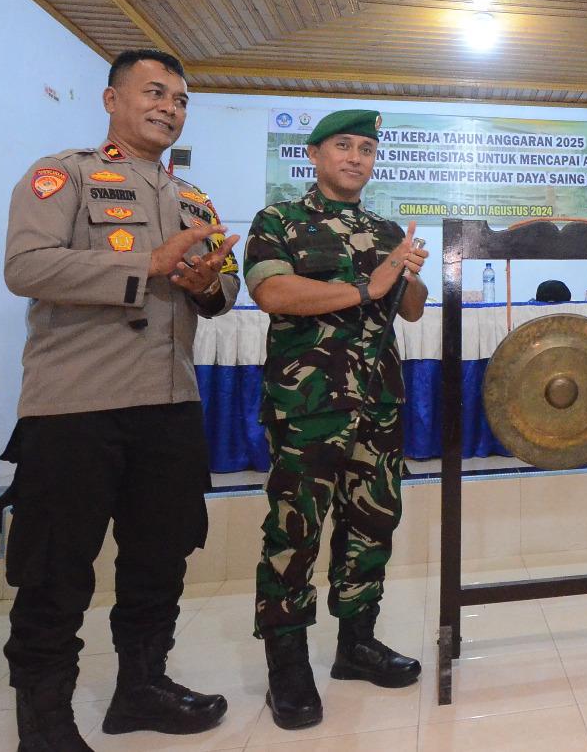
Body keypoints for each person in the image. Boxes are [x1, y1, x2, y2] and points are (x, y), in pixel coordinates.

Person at [1, 48, 240, 752]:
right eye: (154, 92)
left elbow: (219, 293)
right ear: (112, 99)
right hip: (77, 406)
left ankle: (141, 689)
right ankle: (43, 724)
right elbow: (26, 266)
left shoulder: (194, 199)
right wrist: (147, 263)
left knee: (160, 556)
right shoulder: (63, 174)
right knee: (56, 567)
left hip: (169, 405)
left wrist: (202, 282)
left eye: (180, 99)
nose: (169, 106)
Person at [243, 108, 430, 730]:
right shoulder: (279, 220)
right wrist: (367, 287)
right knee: (295, 530)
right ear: (316, 156)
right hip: (309, 406)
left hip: (378, 402)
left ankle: (357, 644)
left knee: (372, 522)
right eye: (344, 146)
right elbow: (272, 293)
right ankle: (288, 664)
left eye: (367, 149)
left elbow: (412, 312)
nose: (356, 158)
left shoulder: (384, 228)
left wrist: (406, 274)